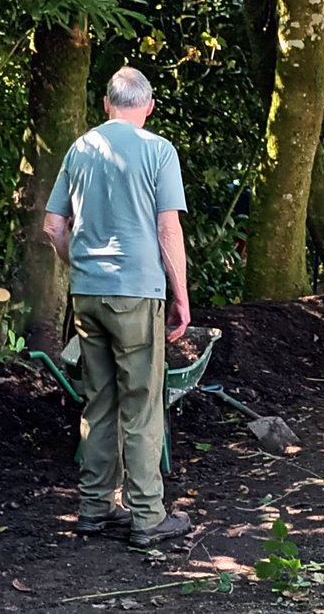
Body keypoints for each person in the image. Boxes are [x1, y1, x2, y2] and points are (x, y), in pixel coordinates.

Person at [43, 67, 195, 548]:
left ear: (107, 104)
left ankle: (94, 508)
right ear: (147, 106)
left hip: (87, 295)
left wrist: (82, 266)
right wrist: (182, 297)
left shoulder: (81, 148)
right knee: (143, 405)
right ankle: (147, 516)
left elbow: (52, 226)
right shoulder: (157, 150)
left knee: (99, 400)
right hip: (137, 293)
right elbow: (168, 229)